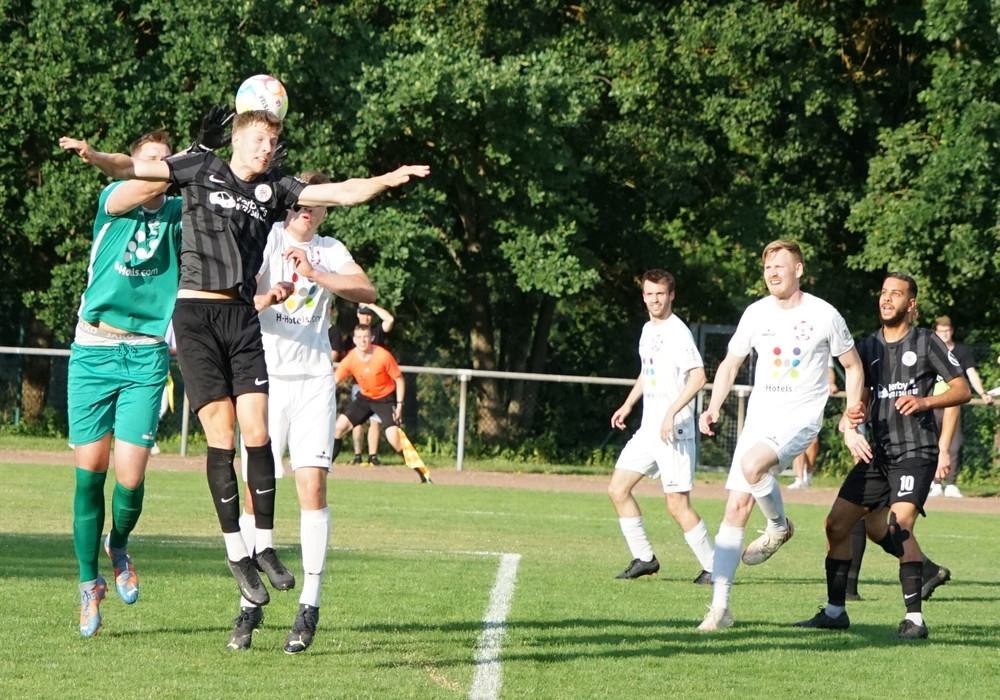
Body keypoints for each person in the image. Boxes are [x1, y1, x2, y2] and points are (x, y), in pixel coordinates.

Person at [60, 111, 430, 609]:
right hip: (170, 325)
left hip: (225, 323)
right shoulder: (179, 176)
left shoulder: (261, 189)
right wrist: (97, 154)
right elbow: (131, 170)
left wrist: (386, 178)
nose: (266, 147)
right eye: (259, 138)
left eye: (272, 140)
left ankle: (261, 548)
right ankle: (211, 557)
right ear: (236, 138)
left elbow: (339, 192)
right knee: (191, 444)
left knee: (252, 436)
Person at [229, 170, 376, 652]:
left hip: (314, 384)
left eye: (316, 205)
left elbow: (367, 291)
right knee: (255, 496)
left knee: (312, 487)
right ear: (289, 203)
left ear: (326, 210)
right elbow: (237, 299)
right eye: (301, 203)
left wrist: (315, 274)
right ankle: (250, 605)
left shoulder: (330, 250)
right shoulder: (268, 237)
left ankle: (309, 605)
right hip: (264, 381)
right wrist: (267, 297)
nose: (306, 212)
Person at [696, 239, 865, 631]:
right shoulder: (756, 313)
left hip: (800, 419)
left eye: (780, 266)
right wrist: (713, 405)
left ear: (798, 270)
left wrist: (852, 416)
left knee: (752, 465)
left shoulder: (824, 314)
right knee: (736, 507)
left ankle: (777, 526)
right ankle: (719, 610)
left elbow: (853, 366)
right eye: (767, 267)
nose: (772, 273)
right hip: (760, 419)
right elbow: (730, 363)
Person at [793, 272, 970, 640]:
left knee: (898, 525)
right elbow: (860, 398)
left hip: (915, 451)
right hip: (878, 454)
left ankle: (915, 620)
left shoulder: (926, 342)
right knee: (837, 525)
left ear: (911, 303)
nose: (887, 299)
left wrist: (924, 401)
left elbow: (962, 389)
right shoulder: (867, 346)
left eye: (896, 294)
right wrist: (853, 415)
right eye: (884, 293)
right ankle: (835, 611)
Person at [67, 131, 183, 637]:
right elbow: (137, 180)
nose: (161, 165)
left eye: (166, 159)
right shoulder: (114, 197)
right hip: (94, 349)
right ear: (134, 165)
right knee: (89, 475)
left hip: (145, 354)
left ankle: (118, 545)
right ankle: (88, 583)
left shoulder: (179, 212)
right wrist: (182, 164)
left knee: (130, 479)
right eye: (151, 159)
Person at [607, 270, 714, 584]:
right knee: (617, 489)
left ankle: (714, 567)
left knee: (677, 503)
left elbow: (699, 377)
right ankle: (645, 559)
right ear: (643, 296)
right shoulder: (647, 329)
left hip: (674, 430)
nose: (655, 300)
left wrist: (671, 412)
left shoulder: (677, 332)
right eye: (649, 294)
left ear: (671, 296)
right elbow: (647, 371)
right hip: (649, 429)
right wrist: (628, 404)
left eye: (660, 294)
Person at [332, 324, 431, 483]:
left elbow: (399, 380)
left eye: (366, 337)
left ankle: (423, 474)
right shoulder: (351, 358)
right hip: (365, 398)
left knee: (394, 439)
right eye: (359, 337)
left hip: (385, 398)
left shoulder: (382, 355)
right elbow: (334, 381)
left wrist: (399, 405)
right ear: (354, 340)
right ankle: (325, 469)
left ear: (371, 338)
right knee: (338, 428)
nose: (363, 341)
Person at [928, 316, 993, 498]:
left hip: (953, 405)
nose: (944, 334)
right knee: (932, 444)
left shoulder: (961, 352)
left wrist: (982, 392)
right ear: (935, 332)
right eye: (941, 331)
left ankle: (951, 483)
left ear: (952, 331)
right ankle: (935, 483)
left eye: (947, 330)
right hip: (933, 403)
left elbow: (971, 374)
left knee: (954, 444)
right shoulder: (929, 350)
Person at [350, 303, 395, 465]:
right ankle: (357, 455)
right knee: (357, 422)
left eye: (369, 314)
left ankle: (372, 456)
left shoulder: (376, 332)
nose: (366, 317)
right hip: (360, 384)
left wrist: (371, 305)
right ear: (358, 314)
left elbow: (389, 320)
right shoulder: (353, 336)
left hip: (378, 385)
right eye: (363, 314)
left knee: (375, 422)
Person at [788, 361, 839, 490]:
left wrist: (831, 383)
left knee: (813, 441)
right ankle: (799, 478)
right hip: (796, 398)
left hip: (814, 400)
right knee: (797, 437)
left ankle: (808, 475)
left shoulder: (822, 349)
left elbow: (829, 369)